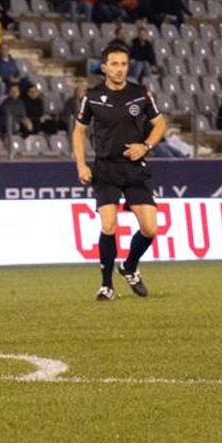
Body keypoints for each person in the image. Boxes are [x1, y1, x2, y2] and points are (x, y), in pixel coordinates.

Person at [73, 42, 167, 300]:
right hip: (106, 169)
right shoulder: (91, 96)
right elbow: (79, 132)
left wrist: (146, 146)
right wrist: (81, 164)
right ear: (104, 67)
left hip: (135, 169)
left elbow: (160, 124)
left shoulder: (140, 94)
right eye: (114, 64)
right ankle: (106, 285)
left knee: (150, 229)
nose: (119, 69)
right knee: (109, 225)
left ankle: (129, 267)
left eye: (123, 64)